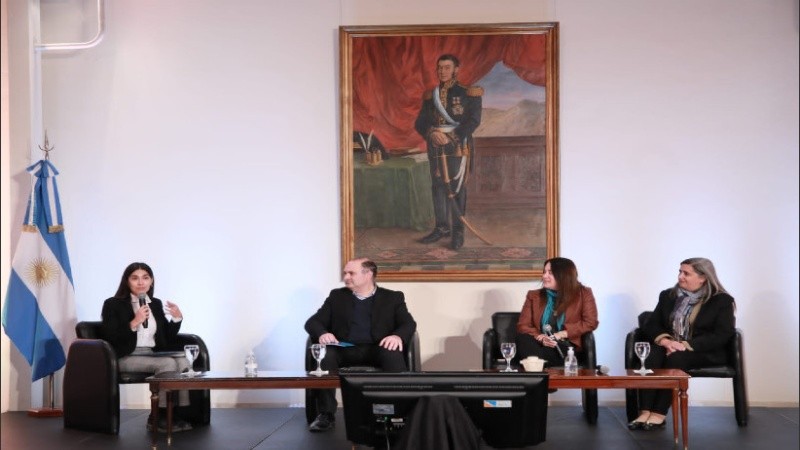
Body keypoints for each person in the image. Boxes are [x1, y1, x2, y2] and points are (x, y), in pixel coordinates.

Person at [304, 258, 417, 432]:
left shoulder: (392, 297)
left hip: (377, 348)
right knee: (325, 356)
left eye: (351, 273)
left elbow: (408, 324)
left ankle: (397, 412)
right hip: (344, 348)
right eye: (345, 273)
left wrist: (397, 336)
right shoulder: (337, 296)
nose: (346, 277)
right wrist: (323, 333)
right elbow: (312, 323)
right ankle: (326, 414)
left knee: (392, 354)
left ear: (368, 274)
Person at [629, 257, 735, 431]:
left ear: (703, 278)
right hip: (671, 346)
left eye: (686, 273)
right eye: (680, 271)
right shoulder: (668, 295)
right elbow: (652, 323)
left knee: (676, 358)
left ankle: (658, 413)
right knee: (651, 355)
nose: (680, 276)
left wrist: (685, 345)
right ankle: (644, 411)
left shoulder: (722, 300)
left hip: (702, 350)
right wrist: (665, 340)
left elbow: (722, 335)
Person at [101, 262, 193, 433]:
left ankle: (177, 413)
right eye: (135, 278)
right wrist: (134, 322)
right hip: (124, 356)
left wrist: (177, 319)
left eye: (145, 277)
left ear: (151, 281)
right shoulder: (113, 304)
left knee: (182, 360)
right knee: (166, 364)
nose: (140, 282)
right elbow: (110, 336)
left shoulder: (155, 304)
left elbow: (164, 338)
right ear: (127, 281)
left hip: (150, 354)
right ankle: (158, 416)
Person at [414, 53, 483, 250]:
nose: (442, 71)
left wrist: (451, 137)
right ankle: (441, 227)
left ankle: (458, 231)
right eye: (439, 68)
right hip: (435, 144)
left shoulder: (469, 93)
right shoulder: (431, 95)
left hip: (458, 145)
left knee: (457, 187)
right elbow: (420, 122)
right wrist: (431, 133)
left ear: (456, 69)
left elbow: (473, 121)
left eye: (446, 67)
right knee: (437, 186)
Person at [515, 257, 599, 369]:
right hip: (539, 345)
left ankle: (535, 374)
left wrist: (561, 334)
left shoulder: (584, 294)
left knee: (531, 358)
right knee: (522, 338)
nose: (544, 276)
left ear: (563, 275)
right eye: (544, 272)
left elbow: (590, 322)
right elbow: (523, 325)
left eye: (550, 273)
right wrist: (541, 337)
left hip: (564, 347)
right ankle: (537, 373)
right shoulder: (534, 295)